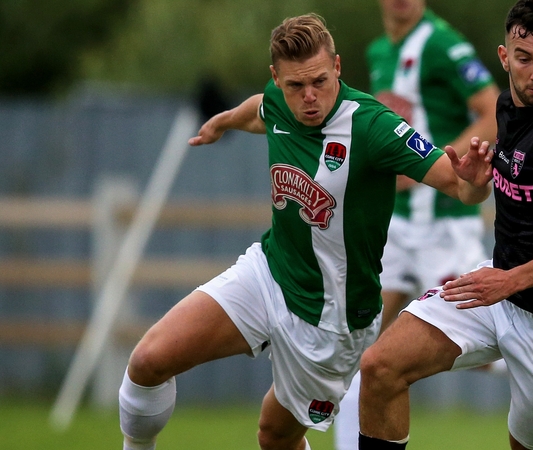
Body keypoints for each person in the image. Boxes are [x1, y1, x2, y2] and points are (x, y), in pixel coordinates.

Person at [116, 13, 492, 450]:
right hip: (269, 273)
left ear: (337, 67)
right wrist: (224, 122)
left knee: (274, 436)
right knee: (147, 361)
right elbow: (259, 108)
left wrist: (475, 182)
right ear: (278, 77)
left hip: (332, 321)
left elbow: (457, 186)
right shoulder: (280, 99)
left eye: (319, 81)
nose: (309, 97)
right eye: (295, 86)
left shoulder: (375, 127)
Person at [357, 1, 533, 449]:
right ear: (505, 57)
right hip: (496, 292)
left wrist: (509, 281)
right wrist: (472, 186)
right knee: (380, 367)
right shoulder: (507, 106)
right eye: (525, 59)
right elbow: (490, 196)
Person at [332, 1, 500, 448]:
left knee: (481, 343)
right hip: (400, 227)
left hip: (444, 225)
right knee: (356, 344)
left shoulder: (442, 42)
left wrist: (440, 163)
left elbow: (494, 110)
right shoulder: (378, 52)